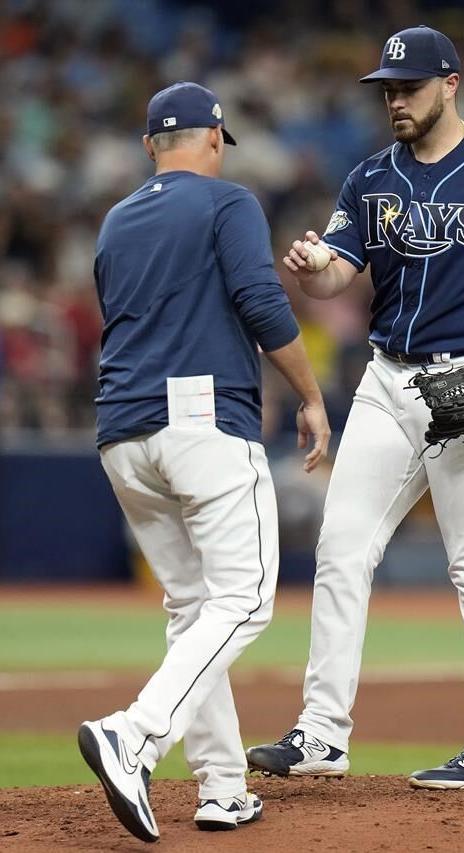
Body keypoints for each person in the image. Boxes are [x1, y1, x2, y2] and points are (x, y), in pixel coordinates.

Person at [246, 25, 464, 791]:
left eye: (408, 87)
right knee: (341, 547)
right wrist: (314, 267)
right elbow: (336, 280)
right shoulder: (368, 179)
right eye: (387, 89)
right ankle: (323, 733)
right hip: (389, 382)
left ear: (450, 84)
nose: (395, 99)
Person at [77, 82, 330, 842]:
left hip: (122, 430)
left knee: (195, 611)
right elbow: (259, 296)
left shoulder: (116, 220)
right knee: (246, 598)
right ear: (214, 139)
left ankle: (222, 786)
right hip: (199, 421)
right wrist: (312, 396)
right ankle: (136, 733)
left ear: (150, 145)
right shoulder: (228, 203)